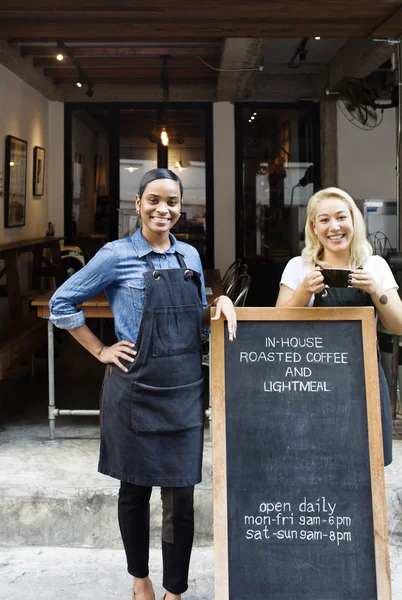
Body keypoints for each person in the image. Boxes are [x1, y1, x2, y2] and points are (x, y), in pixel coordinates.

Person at [49, 168, 237, 600]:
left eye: (172, 202)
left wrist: (219, 302)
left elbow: (198, 326)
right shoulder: (116, 255)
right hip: (134, 389)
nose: (163, 209)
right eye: (154, 200)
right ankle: (140, 580)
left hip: (183, 389)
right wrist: (100, 350)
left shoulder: (189, 257)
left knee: (181, 499)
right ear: (138, 204)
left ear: (180, 208)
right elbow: (63, 302)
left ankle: (175, 591)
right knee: (133, 491)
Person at [276, 187, 402, 466]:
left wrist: (375, 289)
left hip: (363, 378)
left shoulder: (375, 265)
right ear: (313, 227)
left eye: (341, 217)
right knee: (315, 459)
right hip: (311, 378)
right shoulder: (298, 266)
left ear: (354, 220)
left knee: (366, 461)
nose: (334, 227)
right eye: (324, 220)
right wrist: (303, 292)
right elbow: (278, 323)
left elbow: (398, 325)